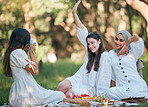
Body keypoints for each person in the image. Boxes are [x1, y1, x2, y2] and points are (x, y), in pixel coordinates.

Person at [57, 0, 111, 97]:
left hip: (90, 88)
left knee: (67, 94)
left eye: (93, 43)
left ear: (99, 41)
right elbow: (82, 31)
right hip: (78, 79)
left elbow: (104, 78)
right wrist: (74, 13)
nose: (90, 46)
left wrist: (100, 96)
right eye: (88, 44)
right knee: (61, 87)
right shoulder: (90, 52)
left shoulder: (105, 56)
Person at [3, 28, 65, 106]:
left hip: (19, 94)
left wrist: (27, 52)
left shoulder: (13, 53)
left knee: (54, 94)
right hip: (27, 95)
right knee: (61, 95)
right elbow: (35, 71)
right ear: (24, 40)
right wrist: (32, 53)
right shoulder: (18, 52)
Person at [106, 30, 148, 100]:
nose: (117, 42)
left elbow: (136, 38)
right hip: (123, 88)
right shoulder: (111, 54)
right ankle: (133, 98)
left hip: (138, 86)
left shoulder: (133, 52)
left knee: (138, 92)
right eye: (116, 39)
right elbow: (112, 75)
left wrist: (126, 45)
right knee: (108, 92)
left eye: (121, 40)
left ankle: (134, 97)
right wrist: (114, 90)